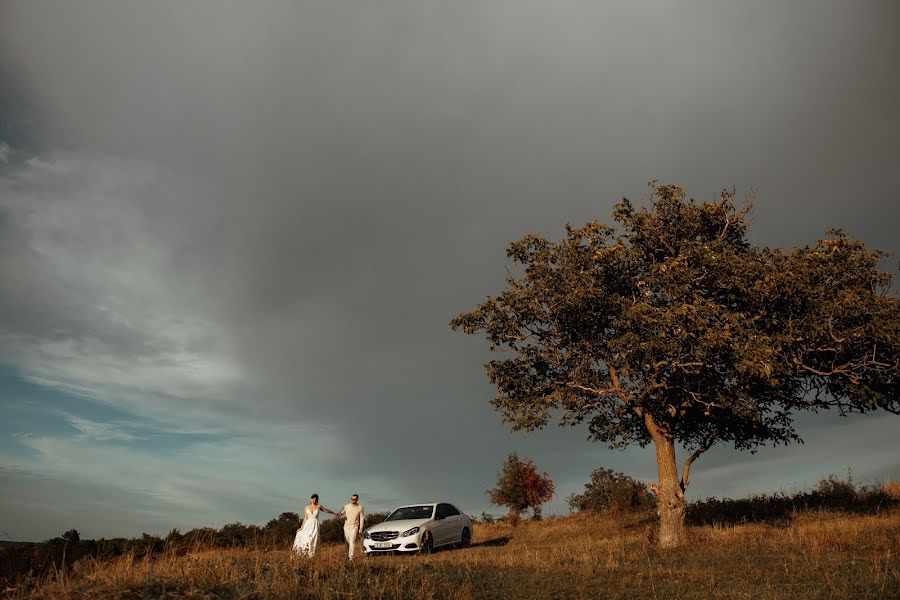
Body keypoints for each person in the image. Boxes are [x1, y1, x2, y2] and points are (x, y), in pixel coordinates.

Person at [335, 493, 365, 560]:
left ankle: (351, 557)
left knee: (352, 541)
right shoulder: (346, 506)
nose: (353, 500)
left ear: (357, 499)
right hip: (346, 527)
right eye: (352, 499)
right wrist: (337, 515)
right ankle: (347, 556)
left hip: (355, 526)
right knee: (347, 542)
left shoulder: (360, 507)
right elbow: (341, 513)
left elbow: (362, 518)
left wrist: (361, 528)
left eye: (354, 499)